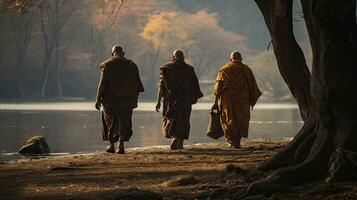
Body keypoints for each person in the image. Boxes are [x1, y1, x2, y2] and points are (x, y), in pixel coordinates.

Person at [95, 45, 144, 154]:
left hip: (110, 99)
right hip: (127, 99)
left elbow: (102, 83)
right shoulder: (132, 65)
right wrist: (133, 100)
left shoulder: (107, 65)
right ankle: (121, 144)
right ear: (123, 53)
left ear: (112, 53)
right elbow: (136, 85)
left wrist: (98, 98)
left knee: (110, 121)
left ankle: (111, 144)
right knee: (124, 121)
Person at [156, 50, 203, 150]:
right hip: (185, 99)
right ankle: (178, 141)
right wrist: (193, 97)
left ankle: (176, 140)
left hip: (170, 100)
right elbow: (195, 85)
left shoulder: (166, 68)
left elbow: (161, 86)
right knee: (184, 120)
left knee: (172, 119)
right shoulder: (189, 69)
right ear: (183, 57)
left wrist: (158, 101)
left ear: (173, 57)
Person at [213, 51, 262, 148]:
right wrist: (250, 98)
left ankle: (232, 141)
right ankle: (237, 142)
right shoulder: (247, 69)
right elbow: (253, 87)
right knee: (241, 120)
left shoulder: (224, 69)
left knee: (228, 119)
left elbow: (218, 88)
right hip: (243, 100)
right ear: (241, 59)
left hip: (228, 99)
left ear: (231, 59)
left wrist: (215, 102)